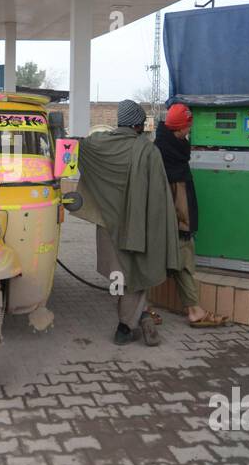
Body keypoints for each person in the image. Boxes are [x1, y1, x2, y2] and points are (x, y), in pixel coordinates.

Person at [76, 100, 181, 346]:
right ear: (139, 124)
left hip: (108, 226)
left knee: (118, 275)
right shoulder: (148, 151)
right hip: (139, 227)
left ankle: (133, 317)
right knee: (137, 272)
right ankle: (127, 324)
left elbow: (71, 146)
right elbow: (158, 196)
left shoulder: (96, 144)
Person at [154, 103, 228, 327]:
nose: (190, 131)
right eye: (188, 127)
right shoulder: (168, 155)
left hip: (170, 221)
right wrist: (185, 225)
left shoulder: (171, 146)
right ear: (179, 128)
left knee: (173, 262)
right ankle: (194, 311)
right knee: (183, 262)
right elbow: (177, 197)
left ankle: (144, 309)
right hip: (175, 222)